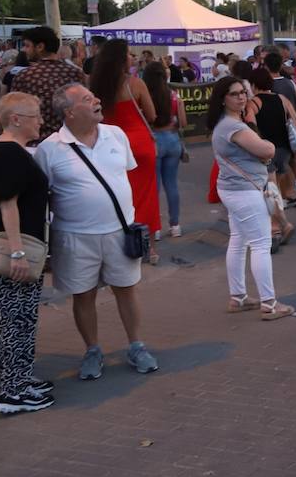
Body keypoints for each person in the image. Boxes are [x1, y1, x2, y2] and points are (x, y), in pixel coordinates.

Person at [35, 83, 158, 380]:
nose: (97, 100)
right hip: (75, 237)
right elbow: (42, 198)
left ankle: (136, 345)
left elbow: (124, 176)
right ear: (69, 112)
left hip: (120, 231)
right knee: (83, 295)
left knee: (126, 289)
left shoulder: (116, 134)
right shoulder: (49, 149)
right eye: (88, 99)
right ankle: (92, 350)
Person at [0, 93, 52, 413]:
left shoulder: (11, 151)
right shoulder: (8, 154)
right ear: (16, 119)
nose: (40, 120)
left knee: (22, 318)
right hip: (19, 249)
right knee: (15, 320)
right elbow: (7, 205)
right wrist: (16, 252)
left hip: (25, 247)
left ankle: (21, 379)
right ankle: (12, 393)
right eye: (35, 115)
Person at [207, 76, 291, 319]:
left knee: (239, 240)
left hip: (235, 189)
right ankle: (269, 304)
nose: (241, 96)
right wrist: (267, 146)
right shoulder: (234, 127)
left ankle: (239, 297)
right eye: (234, 94)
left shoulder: (225, 124)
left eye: (243, 91)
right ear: (223, 99)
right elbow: (267, 150)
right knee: (261, 245)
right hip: (245, 191)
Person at [89, 39, 162, 264]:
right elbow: (151, 116)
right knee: (146, 195)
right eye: (129, 54)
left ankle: (118, 244)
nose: (132, 57)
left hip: (109, 145)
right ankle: (148, 248)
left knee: (117, 196)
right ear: (122, 60)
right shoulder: (135, 84)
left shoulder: (94, 84)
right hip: (139, 144)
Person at [248, 67, 296, 211]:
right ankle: (281, 207)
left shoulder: (253, 103)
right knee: (277, 182)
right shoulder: (282, 99)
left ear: (254, 84)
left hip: (265, 150)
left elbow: (251, 128)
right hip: (284, 150)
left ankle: (277, 219)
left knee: (269, 187)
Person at [141, 62, 187, 238]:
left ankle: (156, 228)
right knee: (171, 184)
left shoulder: (145, 96)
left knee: (154, 186)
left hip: (153, 141)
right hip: (173, 140)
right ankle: (175, 225)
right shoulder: (175, 97)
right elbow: (183, 123)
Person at [12, 26, 78, 140]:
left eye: (27, 45)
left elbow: (14, 110)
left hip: (37, 141)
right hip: (72, 140)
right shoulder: (75, 73)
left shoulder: (24, 76)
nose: (23, 50)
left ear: (40, 47)